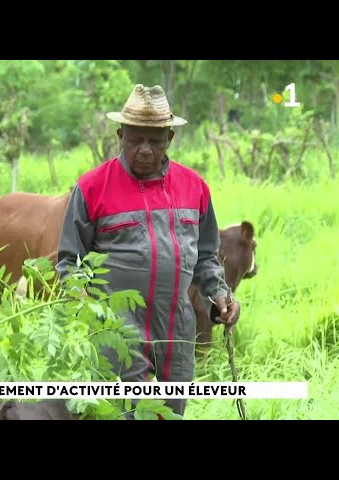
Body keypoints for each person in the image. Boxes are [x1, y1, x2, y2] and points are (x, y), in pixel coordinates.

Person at [55, 84, 241, 419]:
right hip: (117, 328)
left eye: (154, 141)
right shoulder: (92, 187)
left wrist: (219, 293)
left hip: (177, 326)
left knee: (171, 413)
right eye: (136, 139)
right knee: (126, 413)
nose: (144, 149)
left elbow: (205, 256)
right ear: (120, 135)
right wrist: (81, 298)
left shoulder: (194, 187)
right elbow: (69, 261)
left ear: (169, 138)